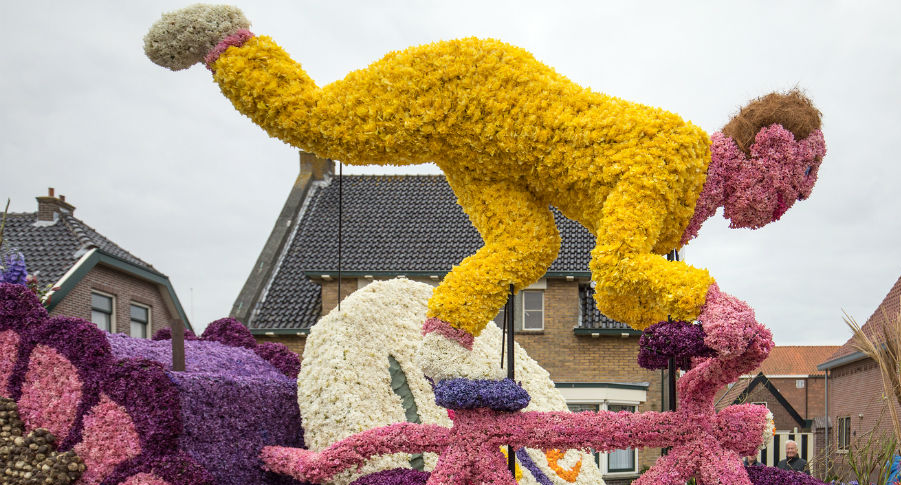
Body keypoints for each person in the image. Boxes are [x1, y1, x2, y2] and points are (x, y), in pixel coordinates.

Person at [145, 5, 826, 387]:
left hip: (501, 159)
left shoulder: (685, 195)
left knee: (530, 243)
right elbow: (616, 277)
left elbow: (625, 291)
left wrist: (699, 326)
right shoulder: (675, 160)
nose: (783, 209)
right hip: (473, 92)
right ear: (762, 152)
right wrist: (712, 304)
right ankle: (228, 44)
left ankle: (445, 335)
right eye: (789, 188)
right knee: (323, 125)